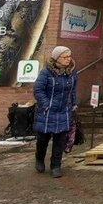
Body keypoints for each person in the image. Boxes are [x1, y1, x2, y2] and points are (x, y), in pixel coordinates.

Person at [33, 46, 78, 178]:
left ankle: (56, 166)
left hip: (64, 110)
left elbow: (73, 90)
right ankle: (39, 159)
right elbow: (38, 90)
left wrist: (74, 104)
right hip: (47, 112)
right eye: (65, 57)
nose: (68, 59)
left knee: (60, 140)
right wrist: (47, 104)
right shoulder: (46, 72)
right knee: (43, 139)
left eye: (69, 56)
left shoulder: (72, 72)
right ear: (57, 58)